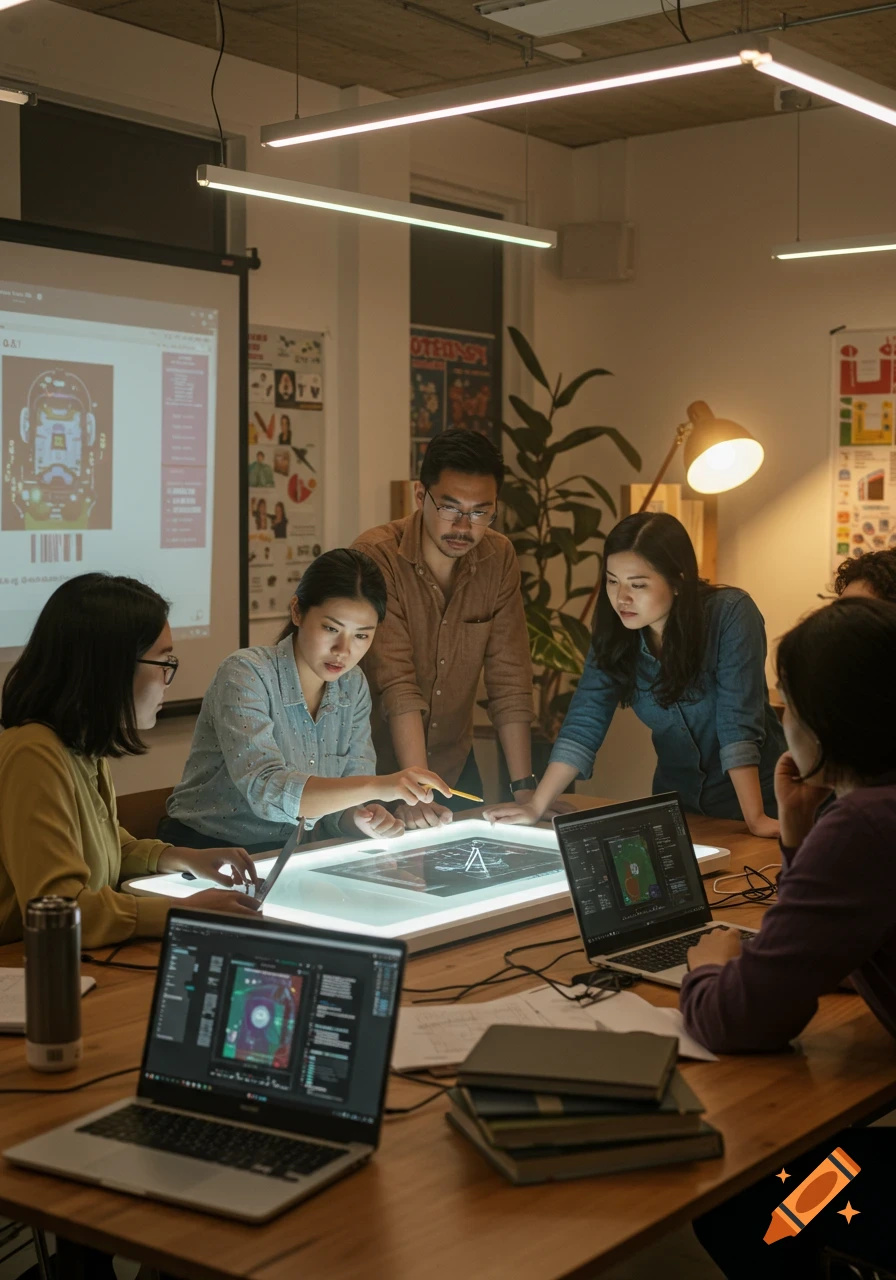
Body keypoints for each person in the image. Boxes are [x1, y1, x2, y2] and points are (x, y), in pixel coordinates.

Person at [679, 597, 896, 1278]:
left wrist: (707, 967)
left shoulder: (863, 826)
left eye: (787, 707)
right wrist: (800, 840)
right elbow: (839, 937)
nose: (781, 722)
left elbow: (744, 1018)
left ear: (824, 724)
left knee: (747, 1200)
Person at [0, 574, 260, 950]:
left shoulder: (79, 747)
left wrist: (184, 858)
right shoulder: (33, 754)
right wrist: (182, 911)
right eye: (164, 661)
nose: (168, 679)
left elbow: (107, 849)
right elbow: (58, 910)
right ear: (113, 666)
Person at [487, 511, 784, 835]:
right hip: (680, 804)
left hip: (761, 802)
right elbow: (584, 721)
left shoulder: (730, 614)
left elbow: (737, 723)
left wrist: (756, 819)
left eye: (638, 584)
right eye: (612, 581)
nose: (621, 597)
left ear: (678, 581)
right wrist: (535, 806)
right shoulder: (616, 633)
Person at [163, 549, 451, 852]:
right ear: (297, 611)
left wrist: (360, 817)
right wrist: (382, 785)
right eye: (331, 629)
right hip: (205, 850)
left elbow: (343, 801)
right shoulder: (246, 673)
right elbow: (267, 790)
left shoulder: (352, 686)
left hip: (292, 852)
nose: (343, 650)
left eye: (361, 636)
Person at [352, 428, 535, 829]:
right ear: (421, 496)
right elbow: (396, 684)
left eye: (480, 512)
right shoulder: (376, 556)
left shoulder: (498, 557)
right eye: (450, 508)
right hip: (379, 774)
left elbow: (510, 677)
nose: (464, 527)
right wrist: (415, 789)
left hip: (455, 766)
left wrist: (526, 791)